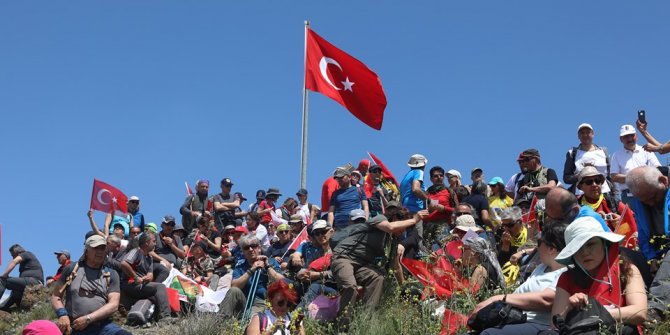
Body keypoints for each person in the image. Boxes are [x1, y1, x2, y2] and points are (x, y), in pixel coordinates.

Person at [331, 207, 429, 325]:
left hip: (362, 264)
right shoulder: (379, 219)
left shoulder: (392, 241)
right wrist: (414, 220)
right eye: (403, 225)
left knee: (377, 278)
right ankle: (343, 326)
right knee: (350, 286)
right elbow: (390, 227)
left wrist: (403, 286)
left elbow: (396, 266)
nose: (403, 231)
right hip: (344, 258)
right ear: (394, 218)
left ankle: (366, 322)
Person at [551, 216, 647, 331]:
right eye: (578, 248)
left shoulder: (626, 269)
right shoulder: (566, 278)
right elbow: (555, 326)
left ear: (604, 244)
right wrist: (569, 307)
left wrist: (595, 315)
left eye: (590, 244)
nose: (585, 252)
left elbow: (640, 312)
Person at [472, 223, 568, 335]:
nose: (537, 248)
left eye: (539, 243)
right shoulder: (543, 267)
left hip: (537, 323)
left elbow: (546, 300)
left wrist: (499, 298)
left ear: (551, 249)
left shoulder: (564, 273)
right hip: (515, 316)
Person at [51, 235, 132, 335]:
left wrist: (89, 318)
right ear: (86, 251)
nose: (99, 252)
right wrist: (62, 314)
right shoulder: (72, 269)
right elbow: (56, 296)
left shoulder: (111, 274)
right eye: (95, 248)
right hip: (75, 327)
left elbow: (113, 304)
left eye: (102, 248)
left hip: (102, 326)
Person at [219, 234, 285, 318]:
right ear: (243, 251)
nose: (250, 250)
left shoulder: (271, 262)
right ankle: (221, 322)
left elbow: (282, 282)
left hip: (261, 302)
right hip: (244, 300)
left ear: (259, 248)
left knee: (249, 318)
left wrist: (267, 267)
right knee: (233, 290)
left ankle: (246, 322)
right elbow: (234, 285)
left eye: (253, 246)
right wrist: (251, 270)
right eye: (246, 248)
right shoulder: (240, 265)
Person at [576, 166, 638, 248]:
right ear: (580, 187)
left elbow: (633, 229)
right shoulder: (575, 207)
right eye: (589, 182)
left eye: (597, 181)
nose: (594, 185)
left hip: (614, 251)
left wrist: (620, 225)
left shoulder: (614, 203)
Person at [119, 233, 172, 322]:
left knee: (157, 294)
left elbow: (150, 274)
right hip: (130, 284)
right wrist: (135, 277)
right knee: (160, 286)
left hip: (141, 285)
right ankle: (165, 317)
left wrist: (148, 277)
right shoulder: (136, 251)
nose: (155, 244)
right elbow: (124, 263)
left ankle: (156, 318)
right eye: (154, 241)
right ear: (147, 243)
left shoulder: (149, 257)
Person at [609, 124, 662, 207]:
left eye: (631, 135)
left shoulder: (647, 150)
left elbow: (658, 168)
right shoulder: (616, 155)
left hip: (649, 193)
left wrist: (642, 177)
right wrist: (635, 177)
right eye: (626, 136)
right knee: (631, 220)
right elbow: (614, 177)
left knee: (651, 219)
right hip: (628, 196)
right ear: (621, 139)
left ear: (636, 136)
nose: (629, 139)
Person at [563, 123, 612, 196]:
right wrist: (579, 176)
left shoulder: (603, 151)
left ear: (593, 134)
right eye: (582, 133)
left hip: (604, 193)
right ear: (578, 136)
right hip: (581, 195)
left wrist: (614, 194)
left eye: (588, 132)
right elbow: (566, 178)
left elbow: (610, 176)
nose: (585, 135)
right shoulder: (572, 153)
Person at [0, 244, 44, 311]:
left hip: (34, 281)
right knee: (2, 307)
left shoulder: (26, 254)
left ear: (19, 253)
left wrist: (4, 275)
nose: (13, 258)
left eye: (13, 255)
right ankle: (11, 310)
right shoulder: (25, 262)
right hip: (27, 284)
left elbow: (14, 261)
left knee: (2, 281)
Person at [328, 164, 369, 230]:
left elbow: (366, 206)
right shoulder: (335, 193)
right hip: (340, 227)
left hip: (356, 225)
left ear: (349, 177)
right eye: (337, 178)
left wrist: (366, 220)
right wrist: (330, 227)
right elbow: (331, 212)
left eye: (341, 177)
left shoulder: (359, 189)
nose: (339, 180)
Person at [424, 166, 455, 246]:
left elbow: (457, 210)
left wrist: (444, 208)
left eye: (441, 175)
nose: (439, 177)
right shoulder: (427, 193)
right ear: (431, 179)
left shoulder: (449, 191)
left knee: (442, 249)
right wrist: (429, 209)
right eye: (436, 176)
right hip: (428, 227)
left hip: (444, 225)